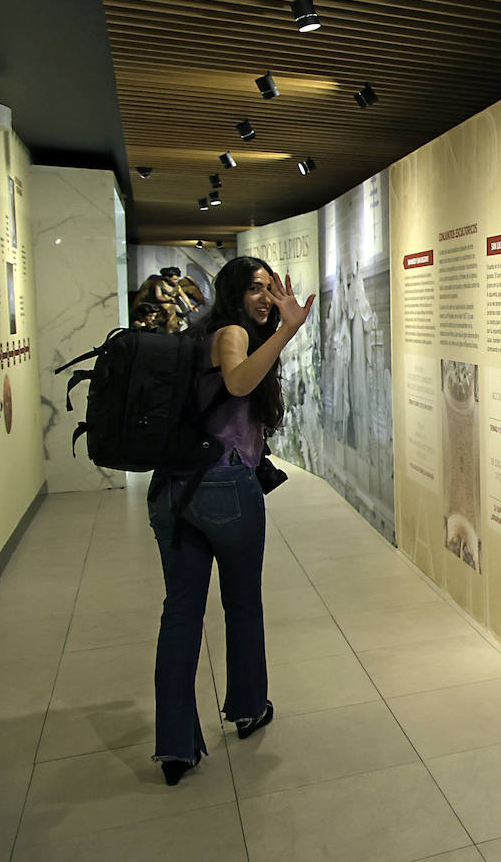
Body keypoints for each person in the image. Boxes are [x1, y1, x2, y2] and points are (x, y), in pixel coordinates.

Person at [147, 255, 314, 785]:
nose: (267, 299)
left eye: (271, 289)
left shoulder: (199, 336)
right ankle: (248, 707)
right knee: (241, 602)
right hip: (223, 487)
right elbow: (239, 383)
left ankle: (176, 747)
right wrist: (288, 329)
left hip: (174, 490)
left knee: (181, 614)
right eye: (256, 290)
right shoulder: (231, 334)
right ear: (234, 294)